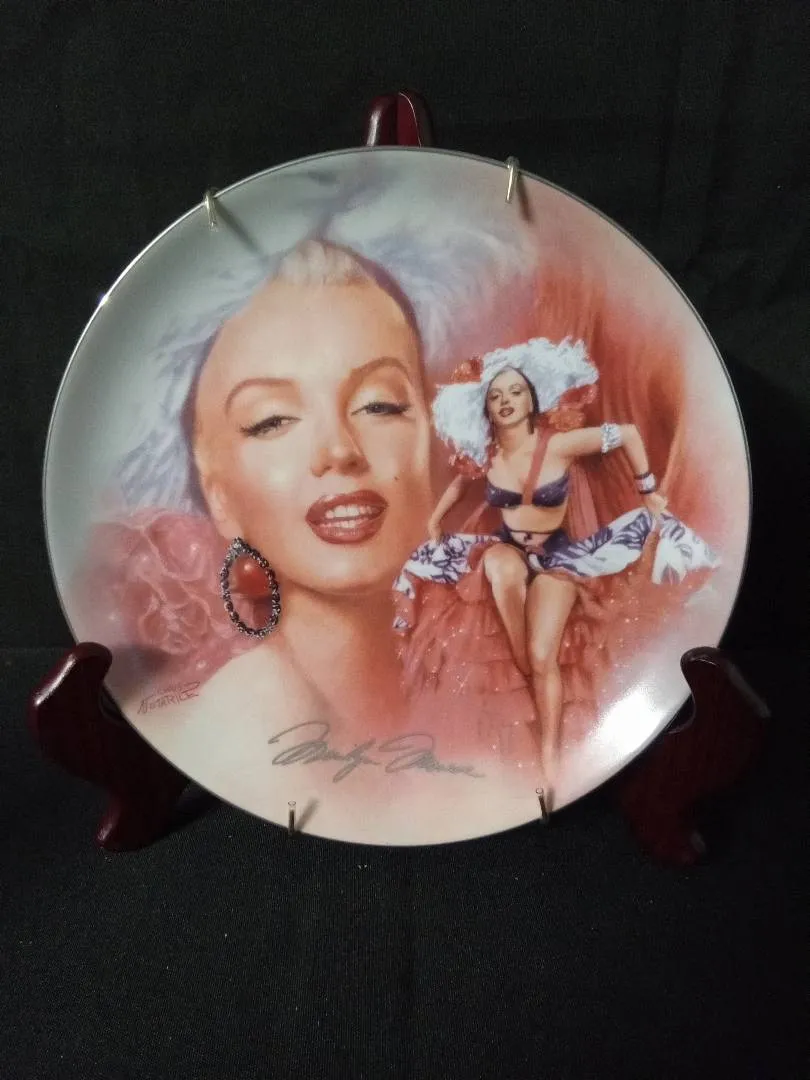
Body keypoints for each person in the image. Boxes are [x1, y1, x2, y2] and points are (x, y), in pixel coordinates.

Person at [394, 336, 720, 786]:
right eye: (496, 396)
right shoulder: (487, 455)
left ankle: (549, 753)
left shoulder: (560, 445)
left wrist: (647, 490)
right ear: (486, 409)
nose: (506, 401)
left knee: (543, 653)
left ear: (532, 400)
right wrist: (435, 519)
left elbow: (627, 434)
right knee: (500, 567)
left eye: (515, 392)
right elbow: (460, 484)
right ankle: (521, 661)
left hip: (559, 557)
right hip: (507, 547)